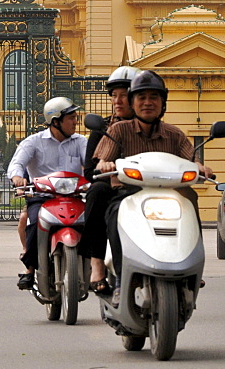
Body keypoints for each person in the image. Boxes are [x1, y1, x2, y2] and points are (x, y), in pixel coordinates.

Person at [83, 70, 214, 297]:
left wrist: (201, 167)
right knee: (110, 208)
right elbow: (102, 158)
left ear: (163, 103)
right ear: (133, 103)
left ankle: (192, 265)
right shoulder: (117, 130)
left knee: (190, 197)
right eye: (141, 98)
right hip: (127, 194)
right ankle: (114, 272)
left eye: (154, 97)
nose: (147, 103)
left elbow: (192, 159)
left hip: (166, 193)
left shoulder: (174, 134)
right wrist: (104, 164)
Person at [7, 97, 87, 290]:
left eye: (76, 117)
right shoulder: (34, 142)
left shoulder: (80, 141)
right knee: (34, 223)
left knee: (95, 221)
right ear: (56, 121)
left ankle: (97, 267)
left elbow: (92, 163)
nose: (76, 121)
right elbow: (16, 164)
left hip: (74, 197)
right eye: (71, 118)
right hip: (42, 198)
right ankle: (31, 268)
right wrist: (18, 178)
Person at [78, 65, 140, 292]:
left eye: (124, 95)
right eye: (114, 96)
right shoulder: (104, 128)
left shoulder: (155, 127)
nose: (118, 101)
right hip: (113, 187)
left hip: (146, 187)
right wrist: (104, 165)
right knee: (97, 192)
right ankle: (97, 264)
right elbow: (89, 170)